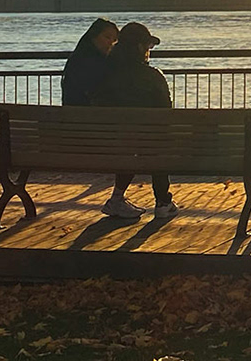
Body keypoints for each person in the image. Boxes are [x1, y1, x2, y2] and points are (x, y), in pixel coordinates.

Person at [96, 21, 174, 218]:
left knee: (133, 143)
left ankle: (117, 197)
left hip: (108, 145)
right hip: (147, 144)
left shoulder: (105, 76)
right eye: (148, 47)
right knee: (157, 143)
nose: (149, 51)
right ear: (140, 47)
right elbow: (167, 114)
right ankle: (163, 202)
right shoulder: (153, 77)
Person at [61, 18, 119, 106]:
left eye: (114, 40)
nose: (110, 43)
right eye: (107, 37)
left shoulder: (77, 57)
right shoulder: (87, 62)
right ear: (94, 36)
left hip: (72, 112)